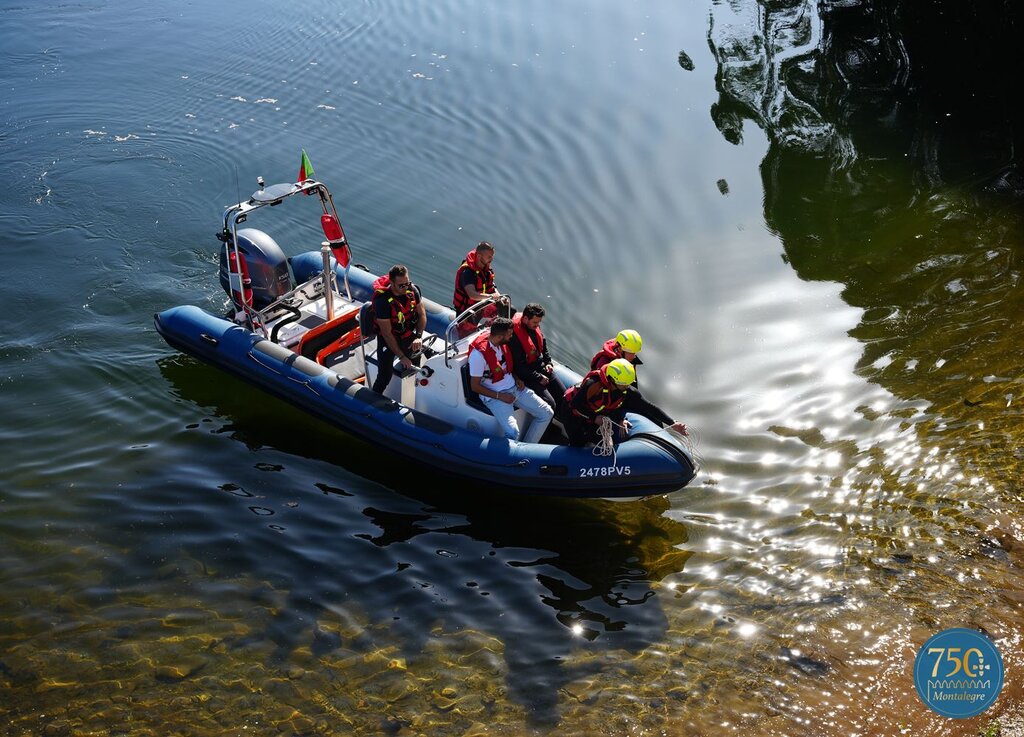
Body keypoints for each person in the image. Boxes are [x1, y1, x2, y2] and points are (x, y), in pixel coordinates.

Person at [468, 317, 554, 444]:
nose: (512, 337)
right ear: (499, 337)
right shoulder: (478, 356)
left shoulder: (502, 345)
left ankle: (527, 449)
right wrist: (500, 396)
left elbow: (504, 366)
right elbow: (474, 386)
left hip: (514, 387)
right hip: (495, 396)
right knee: (513, 432)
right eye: (509, 335)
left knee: (547, 413)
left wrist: (517, 378)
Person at [590, 329, 688, 435]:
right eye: (631, 353)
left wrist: (672, 422)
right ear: (619, 349)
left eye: (635, 352)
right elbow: (605, 399)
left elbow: (638, 398)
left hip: (623, 394)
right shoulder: (605, 365)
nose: (634, 356)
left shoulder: (627, 360)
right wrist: (620, 419)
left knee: (653, 418)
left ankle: (670, 428)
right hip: (606, 399)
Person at [371, 264, 426, 395]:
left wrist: (418, 336)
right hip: (389, 338)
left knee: (416, 360)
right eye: (401, 285)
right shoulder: (383, 301)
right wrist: (401, 356)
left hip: (407, 333)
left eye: (407, 283)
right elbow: (387, 333)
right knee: (384, 376)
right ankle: (372, 399)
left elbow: (422, 314)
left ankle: (414, 392)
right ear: (392, 283)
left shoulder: (413, 290)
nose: (406, 287)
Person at [559, 358, 636, 447]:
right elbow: (575, 405)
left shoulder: (622, 389)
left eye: (628, 384)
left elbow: (615, 406)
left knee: (603, 443)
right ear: (612, 379)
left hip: (592, 413)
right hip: (572, 411)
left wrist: (621, 420)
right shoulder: (593, 384)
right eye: (624, 384)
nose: (627, 386)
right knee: (577, 442)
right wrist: (594, 418)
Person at [509, 303, 566, 411]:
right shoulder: (514, 337)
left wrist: (548, 362)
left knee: (564, 396)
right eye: (535, 322)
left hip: (541, 366)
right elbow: (519, 367)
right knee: (550, 404)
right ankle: (548, 426)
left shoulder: (534, 326)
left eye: (539, 322)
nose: (537, 325)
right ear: (525, 318)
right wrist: (539, 377)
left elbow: (543, 346)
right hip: (528, 375)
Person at [453, 241, 511, 327]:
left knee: (508, 309)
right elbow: (472, 295)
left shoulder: (486, 270)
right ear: (479, 256)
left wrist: (499, 297)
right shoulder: (467, 273)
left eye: (492, 257)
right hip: (467, 311)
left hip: (480, 306)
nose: (491, 259)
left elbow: (491, 286)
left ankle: (497, 330)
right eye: (489, 257)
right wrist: (491, 297)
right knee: (468, 332)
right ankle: (479, 329)